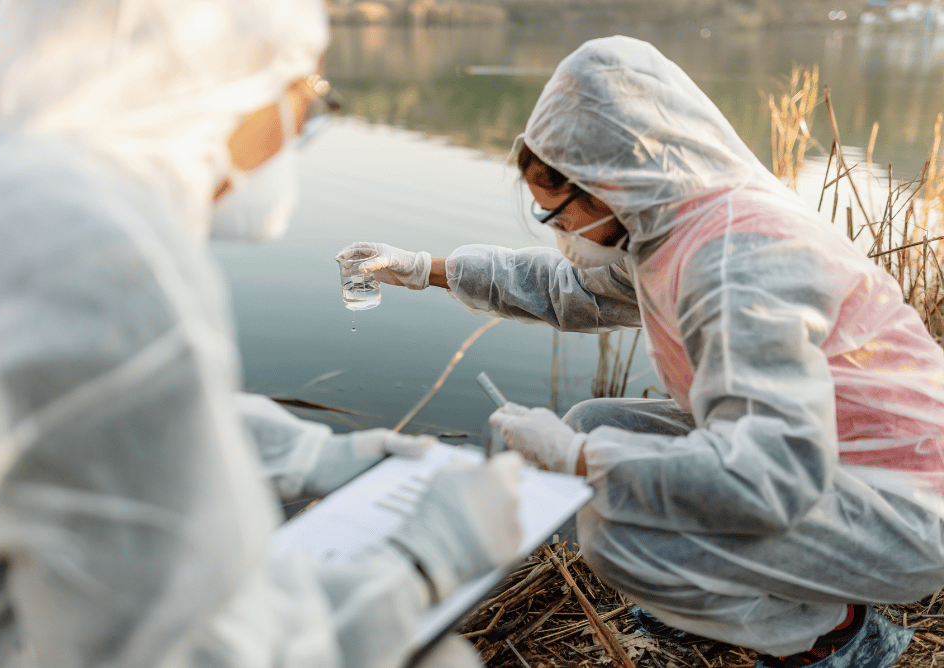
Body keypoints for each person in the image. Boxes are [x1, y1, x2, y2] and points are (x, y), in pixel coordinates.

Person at [0, 1, 526, 667]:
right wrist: (419, 562)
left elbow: (73, 424)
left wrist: (299, 456)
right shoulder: (94, 259)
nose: (302, 125)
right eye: (305, 95)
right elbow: (202, 655)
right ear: (222, 79)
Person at [337, 36, 944, 668]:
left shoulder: (735, 262)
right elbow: (569, 289)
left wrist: (580, 461)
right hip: (828, 453)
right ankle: (739, 596)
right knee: (595, 424)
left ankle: (837, 637)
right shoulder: (675, 222)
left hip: (901, 504)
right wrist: (421, 269)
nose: (560, 232)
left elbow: (769, 478)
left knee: (618, 538)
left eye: (557, 215)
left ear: (609, 183)